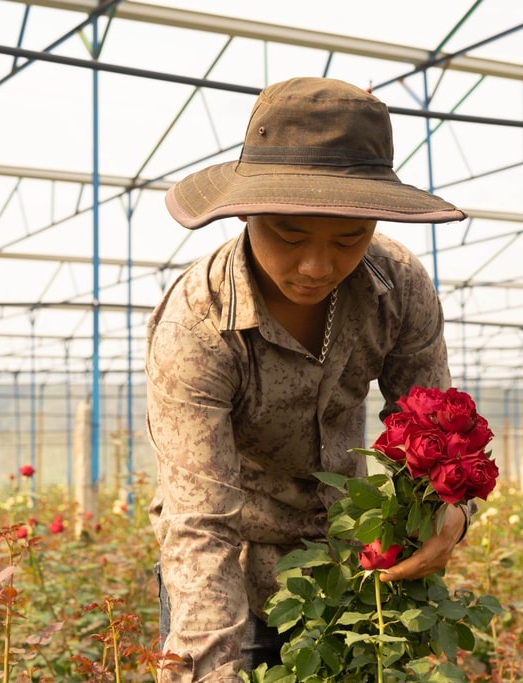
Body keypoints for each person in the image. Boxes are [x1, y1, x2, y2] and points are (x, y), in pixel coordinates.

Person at [146, 76, 468, 682]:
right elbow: (200, 522)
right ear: (246, 214)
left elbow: (438, 426)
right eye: (289, 236)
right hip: (228, 569)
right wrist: (211, 670)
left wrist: (450, 510)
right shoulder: (200, 324)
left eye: (350, 239)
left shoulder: (397, 287)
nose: (317, 266)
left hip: (352, 564)